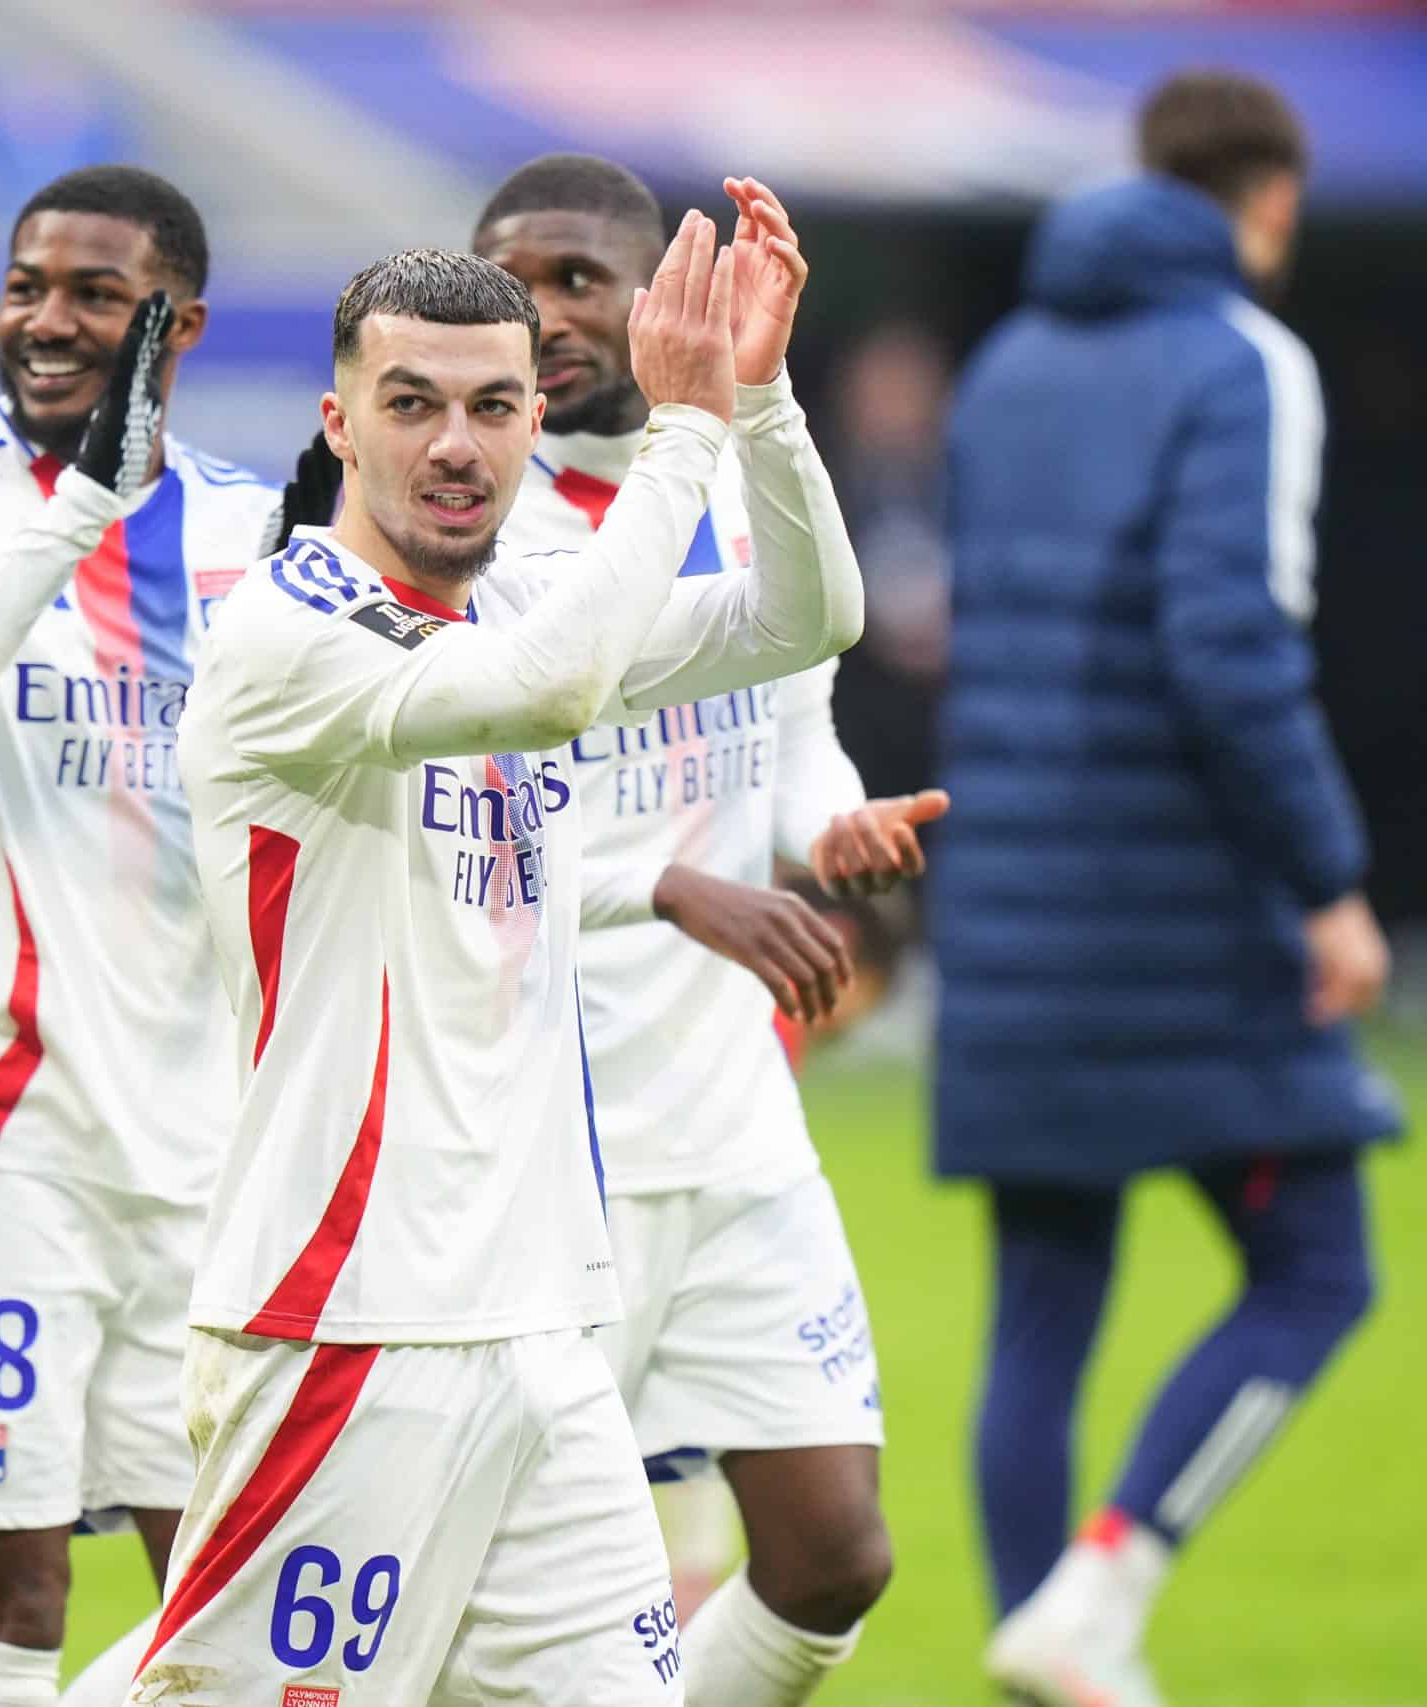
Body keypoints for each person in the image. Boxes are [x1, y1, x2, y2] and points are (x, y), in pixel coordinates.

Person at [144, 202, 862, 1699]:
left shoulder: (534, 596)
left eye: (490, 406)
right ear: (340, 421)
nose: (455, 444)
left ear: (539, 416)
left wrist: (762, 404)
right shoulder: (288, 632)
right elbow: (549, 690)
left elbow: (810, 618)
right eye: (411, 405)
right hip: (343, 1326)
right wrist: (680, 438)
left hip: (545, 1330)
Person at [938, 71, 1398, 1706]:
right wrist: (1330, 881)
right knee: (1321, 1269)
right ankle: (1101, 1593)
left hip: (1009, 904)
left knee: (1042, 1305)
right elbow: (1227, 643)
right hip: (1181, 913)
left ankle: (1041, 1634)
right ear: (1268, 200)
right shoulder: (1241, 358)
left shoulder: (1007, 363)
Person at [468, 154, 940, 1705]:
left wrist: (826, 828)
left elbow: (796, 711)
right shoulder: (465, 524)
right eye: (509, 282)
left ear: (662, 294)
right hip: (540, 1138)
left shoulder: (739, 485)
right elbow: (454, 830)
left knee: (833, 1563)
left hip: (732, 1124)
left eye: (579, 280)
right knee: (461, 1591)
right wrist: (670, 883)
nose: (540, 316)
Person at [0, 165, 286, 1707]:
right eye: (28, 285)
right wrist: (76, 508)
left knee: (230, 1595)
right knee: (8, 1579)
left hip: (208, 1143)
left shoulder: (252, 528)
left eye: (96, 293)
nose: (48, 320)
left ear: (182, 322)